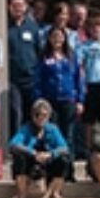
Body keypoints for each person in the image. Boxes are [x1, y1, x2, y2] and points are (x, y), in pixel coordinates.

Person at [33, 26, 81, 179]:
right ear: (49, 39)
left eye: (60, 36)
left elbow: (79, 79)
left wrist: (80, 99)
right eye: (54, 36)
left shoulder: (71, 56)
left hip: (68, 100)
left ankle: (68, 171)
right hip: (49, 102)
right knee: (52, 136)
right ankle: (53, 171)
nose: (57, 40)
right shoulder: (43, 57)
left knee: (68, 136)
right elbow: (37, 79)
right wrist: (39, 99)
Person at [9, 99, 71, 198]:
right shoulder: (26, 128)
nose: (41, 118)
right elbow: (13, 144)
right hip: (31, 160)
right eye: (38, 114)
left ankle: (54, 193)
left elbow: (64, 147)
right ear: (33, 115)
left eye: (44, 115)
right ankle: (22, 194)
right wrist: (33, 153)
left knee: (64, 160)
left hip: (48, 159)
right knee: (19, 158)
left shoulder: (53, 129)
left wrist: (51, 154)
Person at [5, 0, 40, 135]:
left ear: (26, 8)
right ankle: (16, 146)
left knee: (32, 112)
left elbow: (39, 50)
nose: (17, 9)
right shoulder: (6, 26)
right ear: (9, 8)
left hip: (31, 78)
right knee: (16, 111)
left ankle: (31, 143)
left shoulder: (32, 27)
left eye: (20, 6)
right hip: (14, 79)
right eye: (14, 6)